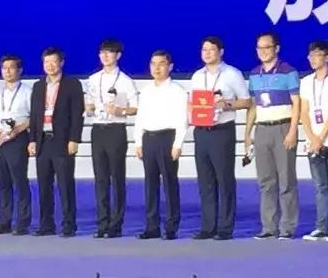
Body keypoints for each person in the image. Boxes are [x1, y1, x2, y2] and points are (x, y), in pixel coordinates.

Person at [188, 36, 250, 240]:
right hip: (201, 130)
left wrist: (226, 104)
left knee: (224, 179)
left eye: (211, 49)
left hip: (222, 130)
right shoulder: (197, 76)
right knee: (205, 180)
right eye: (204, 49)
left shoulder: (232, 74)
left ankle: (225, 227)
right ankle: (208, 226)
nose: (207, 53)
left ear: (221, 52)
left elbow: (246, 102)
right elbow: (192, 101)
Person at [244, 30, 301, 240]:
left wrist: (293, 130)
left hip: (283, 128)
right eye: (259, 48)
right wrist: (247, 133)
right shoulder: (254, 74)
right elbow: (253, 106)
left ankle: (287, 227)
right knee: (265, 181)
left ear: (276, 48)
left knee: (286, 180)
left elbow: (297, 103)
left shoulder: (288, 72)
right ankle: (269, 227)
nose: (263, 51)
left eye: (267, 47)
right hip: (262, 129)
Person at [28, 47, 85, 236]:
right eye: (46, 62)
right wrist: (32, 140)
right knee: (44, 185)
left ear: (61, 63)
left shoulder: (72, 84)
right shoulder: (38, 86)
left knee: (65, 185)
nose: (50, 66)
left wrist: (74, 139)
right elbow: (34, 116)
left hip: (62, 141)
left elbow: (77, 114)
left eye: (53, 61)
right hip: (43, 141)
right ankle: (46, 224)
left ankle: (69, 224)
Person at [85, 38, 138, 238]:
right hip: (98, 129)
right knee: (100, 178)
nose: (105, 56)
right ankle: (102, 223)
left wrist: (120, 110)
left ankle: (116, 224)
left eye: (109, 52)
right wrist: (89, 107)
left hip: (116, 129)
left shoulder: (125, 80)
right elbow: (89, 103)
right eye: (102, 52)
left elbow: (135, 107)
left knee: (117, 177)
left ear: (118, 55)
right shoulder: (93, 79)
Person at [133, 50, 187, 240]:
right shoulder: (146, 90)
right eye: (153, 64)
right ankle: (152, 226)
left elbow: (182, 119)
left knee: (169, 184)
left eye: (161, 64)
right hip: (149, 138)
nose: (157, 68)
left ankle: (171, 226)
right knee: (150, 184)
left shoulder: (177, 90)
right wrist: (138, 141)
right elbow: (140, 117)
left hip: (167, 138)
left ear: (170, 67)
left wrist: (178, 143)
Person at [299, 40, 328, 241]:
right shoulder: (306, 82)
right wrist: (312, 138)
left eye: (317, 55)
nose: (312, 59)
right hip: (313, 141)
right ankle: (321, 226)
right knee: (320, 185)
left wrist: (321, 138)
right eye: (310, 55)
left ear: (327, 58)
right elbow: (304, 112)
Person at [0, 54, 33, 235]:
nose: (8, 71)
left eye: (11, 67)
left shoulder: (28, 92)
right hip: (0, 140)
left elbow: (34, 118)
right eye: (4, 68)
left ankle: (23, 221)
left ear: (20, 70)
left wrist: (17, 130)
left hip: (17, 139)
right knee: (3, 182)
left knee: (19, 180)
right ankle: (4, 221)